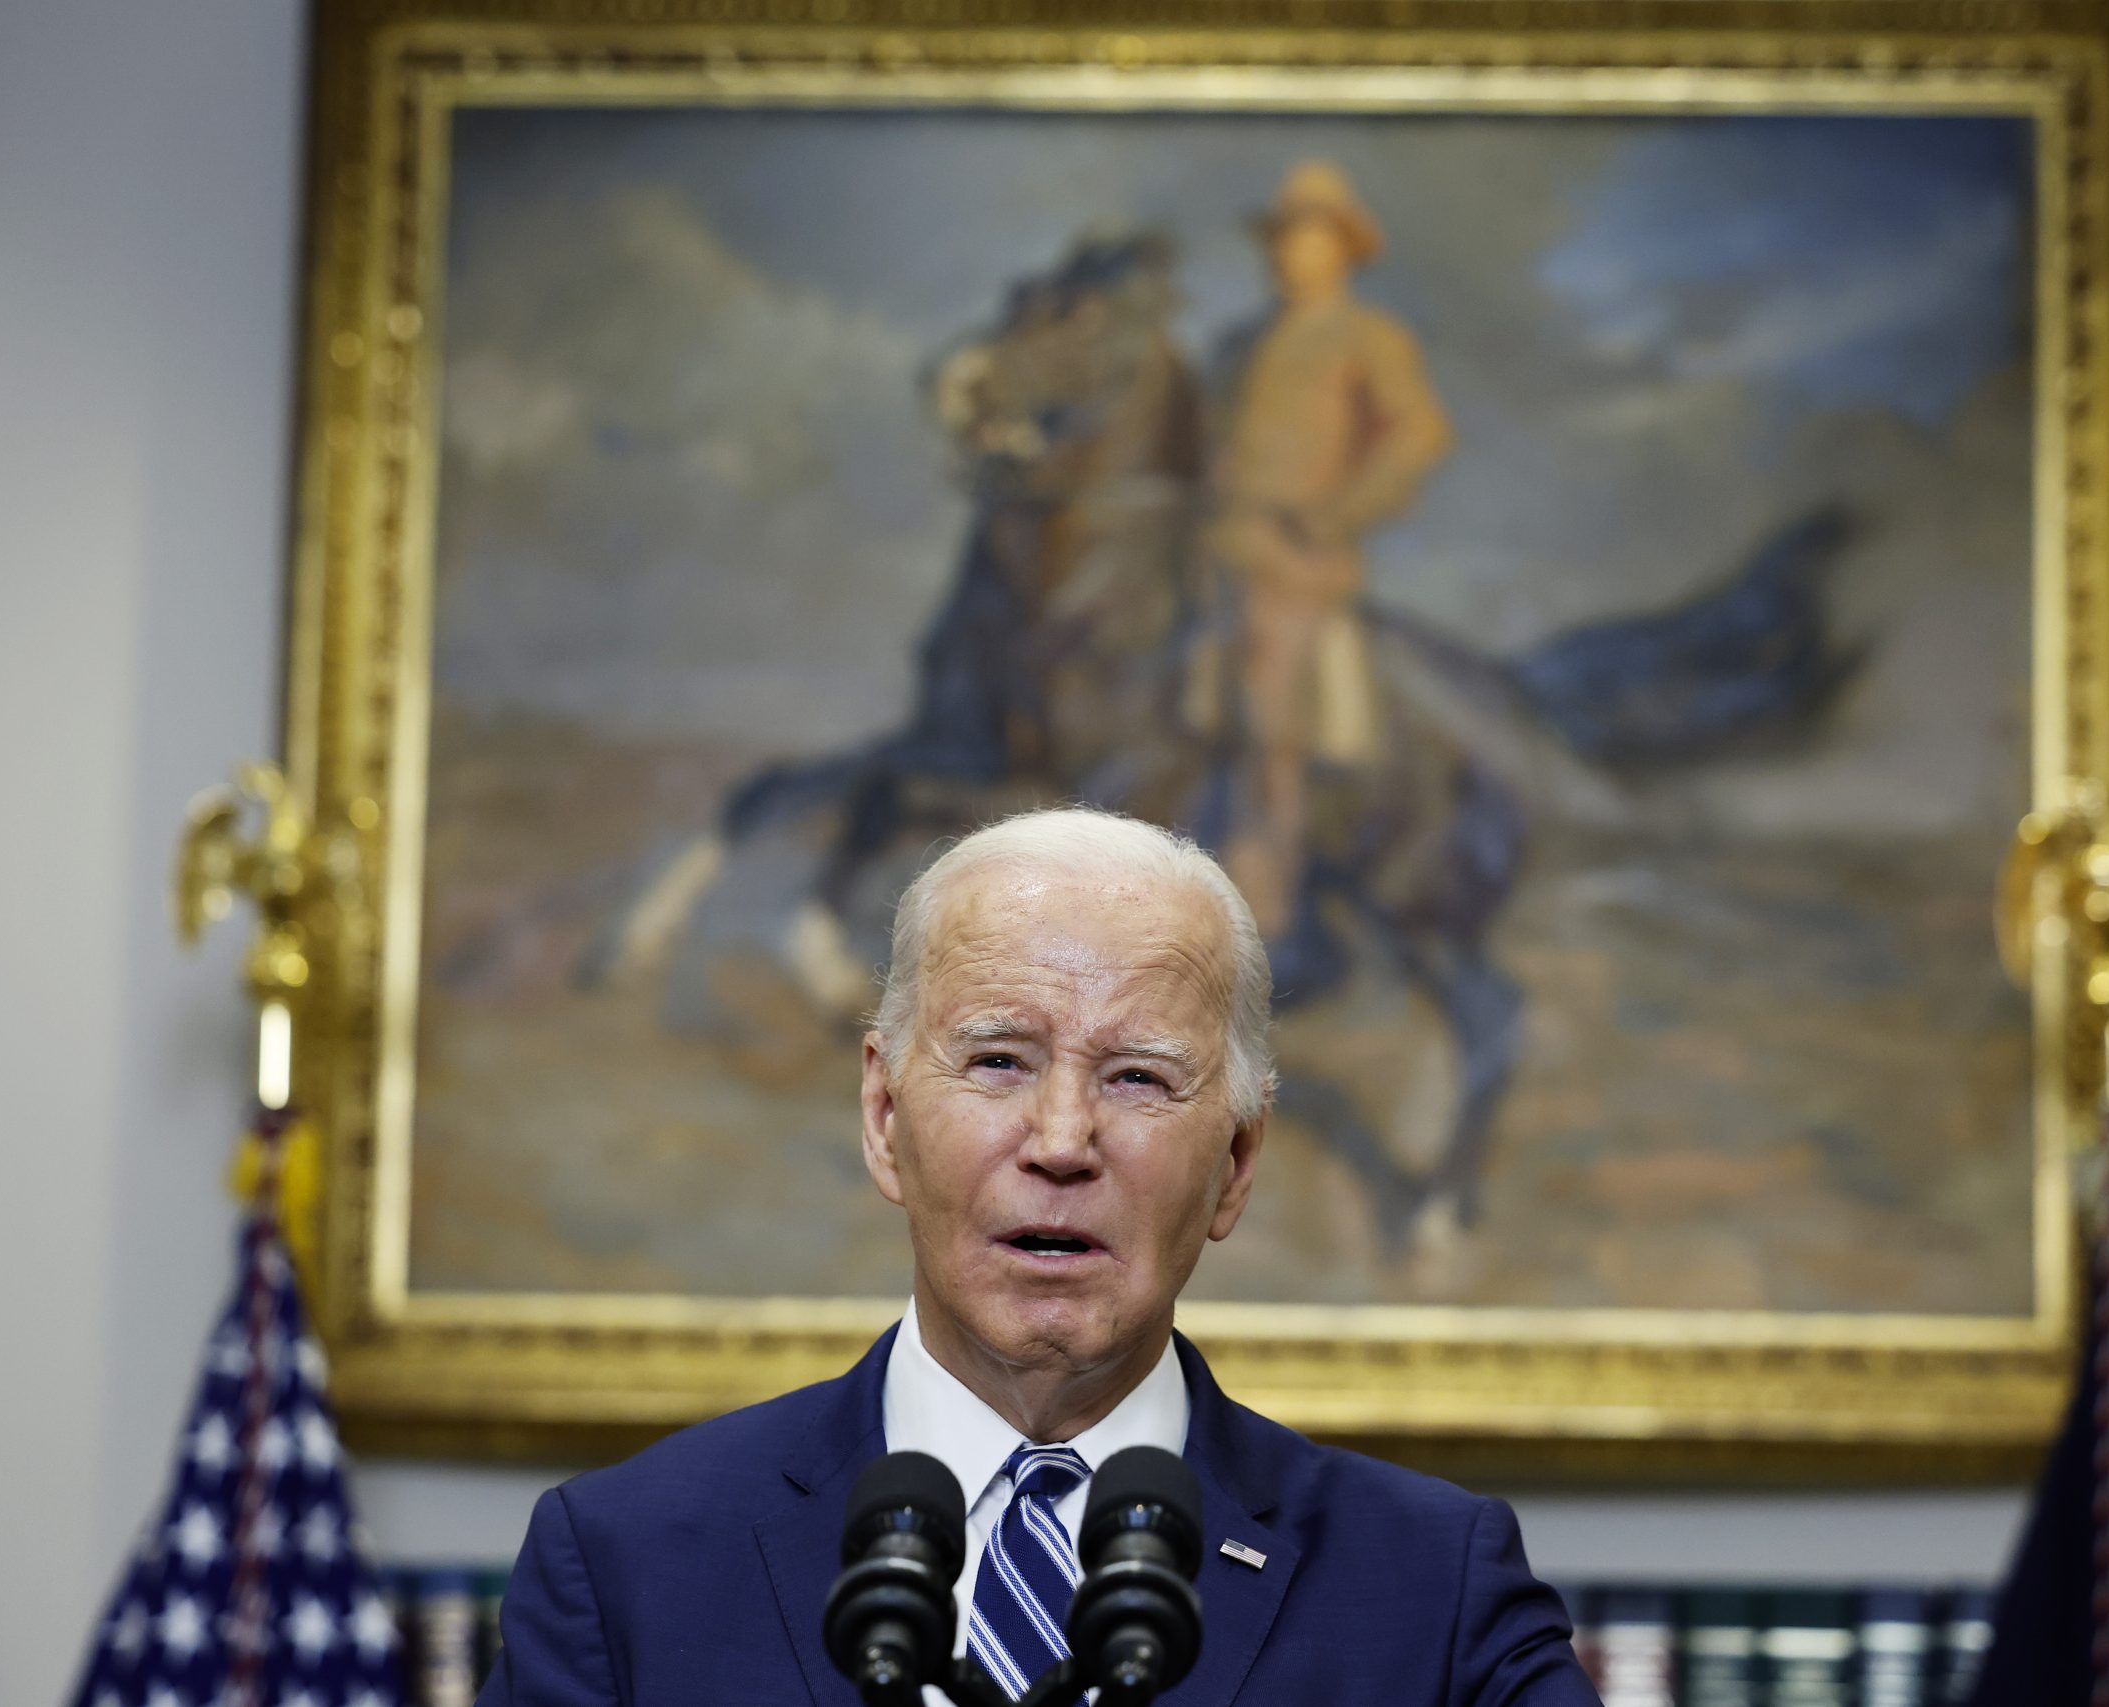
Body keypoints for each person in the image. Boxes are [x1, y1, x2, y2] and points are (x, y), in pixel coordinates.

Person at [477, 808, 1596, 1707]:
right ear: (882, 1116)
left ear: (1238, 1161)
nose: (1062, 1142)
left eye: (1139, 1078)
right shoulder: (626, 1566)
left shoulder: (1430, 1591)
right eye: (1000, 1060)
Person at [1205, 161, 1454, 939]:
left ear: (1342, 250)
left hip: (1295, 561)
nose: (1291, 255)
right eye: (1284, 240)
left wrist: (1337, 513)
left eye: (1309, 241)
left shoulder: (1369, 337)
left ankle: (1266, 911)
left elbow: (1419, 434)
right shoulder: (1241, 344)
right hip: (1210, 549)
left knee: (1267, 714)